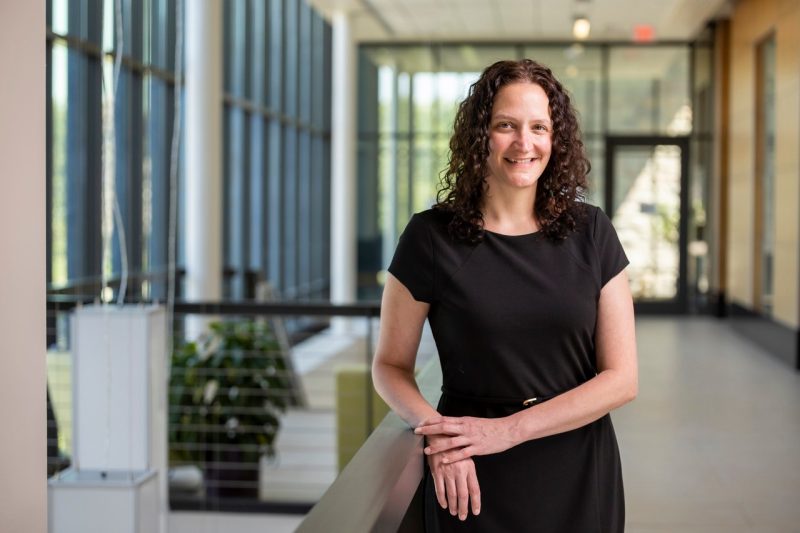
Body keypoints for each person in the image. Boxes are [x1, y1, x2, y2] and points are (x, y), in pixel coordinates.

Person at [372, 58, 638, 532]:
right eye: (506, 126)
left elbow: (622, 379)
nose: (524, 143)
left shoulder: (592, 231)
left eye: (539, 127)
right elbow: (389, 366)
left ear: (555, 139)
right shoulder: (430, 237)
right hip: (470, 477)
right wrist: (438, 436)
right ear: (481, 136)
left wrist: (508, 431)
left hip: (577, 471)